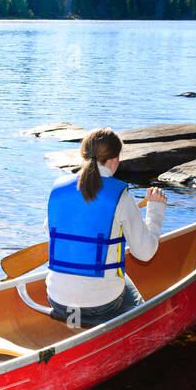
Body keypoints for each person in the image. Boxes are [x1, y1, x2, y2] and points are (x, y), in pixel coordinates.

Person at [45, 128, 167, 328]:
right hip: (101, 306)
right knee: (123, 281)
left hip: (57, 300)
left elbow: (51, 231)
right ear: (115, 161)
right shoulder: (120, 195)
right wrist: (155, 211)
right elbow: (145, 253)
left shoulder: (58, 189)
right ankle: (142, 328)